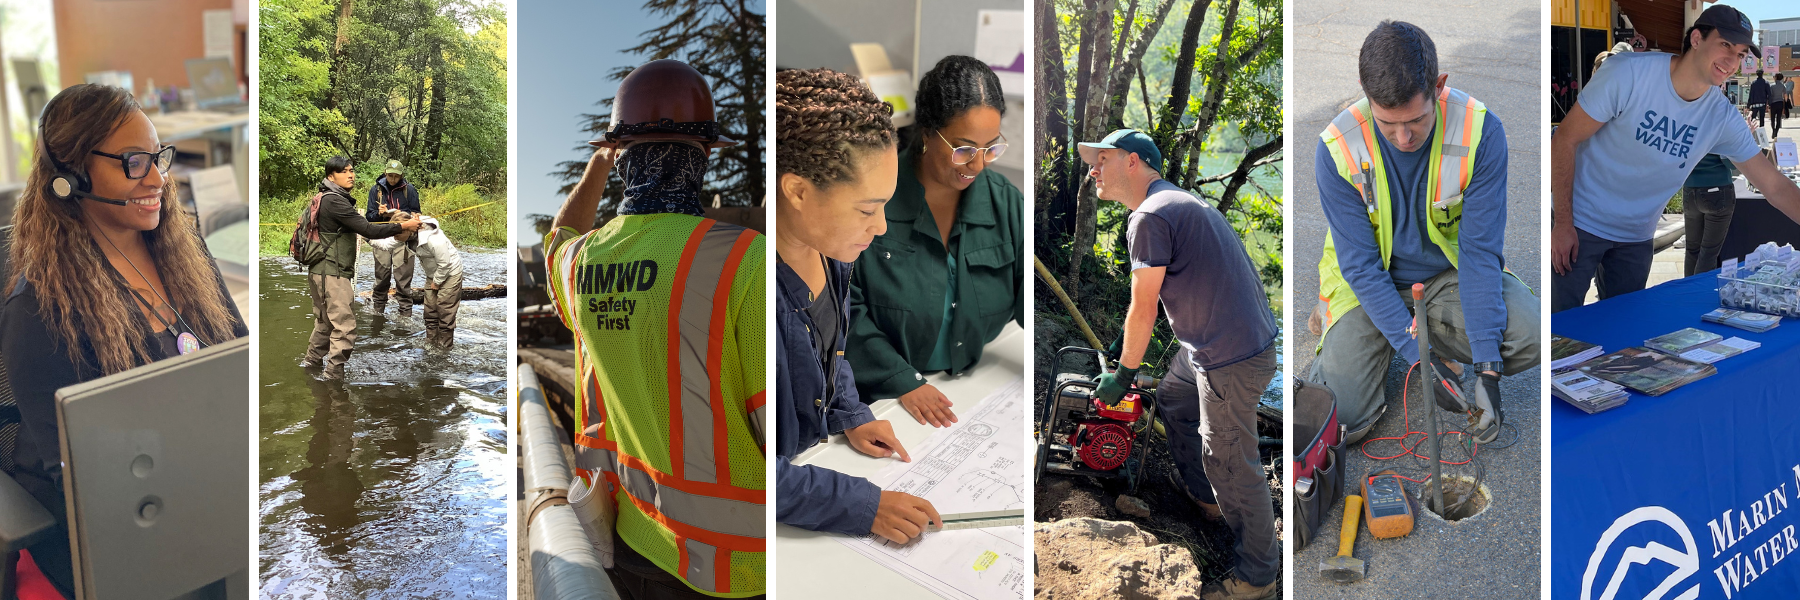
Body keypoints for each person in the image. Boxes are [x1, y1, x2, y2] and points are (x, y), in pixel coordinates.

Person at [0, 83, 248, 597]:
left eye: (158, 158)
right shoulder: (42, 309)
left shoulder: (184, 251)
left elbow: (237, 357)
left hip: (202, 476)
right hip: (115, 523)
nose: (158, 178)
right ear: (70, 176)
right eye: (134, 162)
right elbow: (81, 479)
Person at [544, 59, 765, 599]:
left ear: (621, 158)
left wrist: (599, 162)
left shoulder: (577, 264)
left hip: (631, 541)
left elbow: (559, 234)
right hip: (740, 566)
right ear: (706, 156)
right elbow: (779, 424)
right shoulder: (745, 259)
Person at [1309, 21, 1537, 453]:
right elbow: (1359, 266)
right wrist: (1420, 357)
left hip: (1445, 276)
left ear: (1439, 85)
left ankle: (1428, 339)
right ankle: (1368, 337)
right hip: (1368, 284)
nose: (1403, 138)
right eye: (1388, 124)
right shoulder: (1336, 148)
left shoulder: (1481, 132)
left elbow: (1478, 252)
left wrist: (1487, 371)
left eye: (1416, 120)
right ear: (1364, 90)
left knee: (1532, 334)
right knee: (1342, 420)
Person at [1078, 128, 1277, 600]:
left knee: (1231, 461)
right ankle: (1206, 498)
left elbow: (1143, 307)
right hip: (1217, 348)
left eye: (1101, 159)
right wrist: (1121, 346)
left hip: (1230, 357)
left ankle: (1257, 577)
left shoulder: (1150, 215)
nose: (1093, 170)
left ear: (1132, 162)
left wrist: (1123, 376)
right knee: (1173, 398)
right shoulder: (1174, 202)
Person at [773, 68, 942, 547]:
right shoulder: (752, 295)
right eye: (867, 210)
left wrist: (850, 411)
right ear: (798, 190)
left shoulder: (832, 251)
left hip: (816, 468)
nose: (882, 227)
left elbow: (831, 351)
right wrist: (862, 506)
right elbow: (742, 466)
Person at [1551, 4, 1800, 311]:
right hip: (1580, 223)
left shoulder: (1720, 116)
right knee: (1558, 331)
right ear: (1696, 38)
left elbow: (1774, 186)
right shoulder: (1629, 73)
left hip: (1636, 237)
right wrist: (1562, 222)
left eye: (1740, 54)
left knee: (1621, 332)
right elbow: (1565, 138)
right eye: (1725, 45)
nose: (1732, 61)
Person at [846, 55, 1023, 428]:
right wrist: (902, 380)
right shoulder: (870, 199)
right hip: (885, 403)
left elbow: (1031, 297)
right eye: (964, 149)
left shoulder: (1006, 202)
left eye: (991, 147)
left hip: (972, 388)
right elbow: (845, 310)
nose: (978, 165)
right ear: (927, 132)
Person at [303, 155, 421, 379]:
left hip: (319, 271)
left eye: (352, 170)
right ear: (331, 176)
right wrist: (403, 226)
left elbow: (367, 233)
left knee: (325, 323)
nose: (351, 175)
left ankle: (311, 364)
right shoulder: (335, 201)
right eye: (344, 171)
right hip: (333, 274)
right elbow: (368, 229)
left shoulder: (322, 197)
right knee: (345, 328)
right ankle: (333, 377)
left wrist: (394, 237)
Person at [367, 160, 420, 311]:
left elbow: (417, 214)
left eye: (396, 176)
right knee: (381, 277)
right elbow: (369, 217)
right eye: (390, 175)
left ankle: (405, 314)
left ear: (401, 176)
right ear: (385, 173)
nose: (392, 179)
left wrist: (401, 215)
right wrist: (379, 213)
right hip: (382, 234)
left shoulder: (409, 190)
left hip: (402, 236)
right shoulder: (375, 190)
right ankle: (378, 312)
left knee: (403, 279)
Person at [405, 214, 461, 348]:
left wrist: (436, 282)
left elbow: (445, 264)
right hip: (433, 273)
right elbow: (386, 244)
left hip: (450, 272)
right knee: (430, 309)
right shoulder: (405, 235)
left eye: (396, 233)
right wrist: (366, 235)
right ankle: (431, 342)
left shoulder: (434, 240)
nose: (394, 236)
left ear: (409, 230)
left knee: (444, 308)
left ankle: (444, 346)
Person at [1681, 153, 1740, 276]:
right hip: (1717, 189)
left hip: (1689, 190)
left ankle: (1688, 290)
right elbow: (1731, 163)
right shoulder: (1719, 133)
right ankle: (1700, 292)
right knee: (1709, 252)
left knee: (1692, 249)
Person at [1772, 73, 1789, 138]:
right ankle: (1776, 131)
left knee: (1772, 119)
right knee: (1779, 118)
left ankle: (1773, 130)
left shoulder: (1771, 86)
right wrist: (1786, 101)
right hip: (1780, 103)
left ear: (1776, 77)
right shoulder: (1783, 86)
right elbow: (1785, 95)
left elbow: (1770, 95)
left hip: (1773, 103)